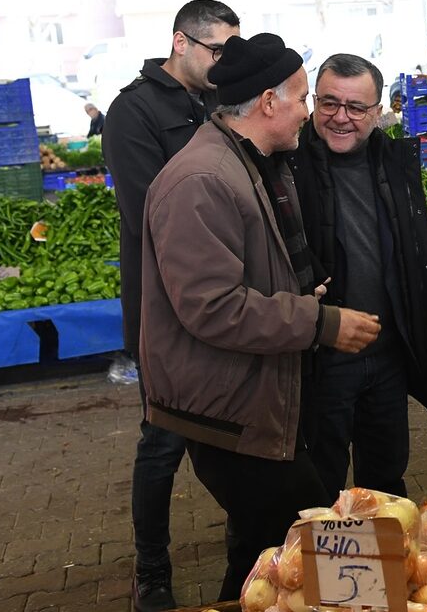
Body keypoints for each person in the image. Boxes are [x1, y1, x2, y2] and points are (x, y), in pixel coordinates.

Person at [140, 33, 370, 601]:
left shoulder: (250, 162)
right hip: (228, 406)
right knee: (321, 540)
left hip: (255, 391)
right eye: (300, 98)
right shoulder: (202, 179)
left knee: (260, 551)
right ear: (268, 102)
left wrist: (296, 289)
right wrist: (322, 323)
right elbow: (212, 307)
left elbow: (245, 270)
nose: (308, 113)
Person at [102, 0, 240, 612]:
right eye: (217, 50)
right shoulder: (132, 111)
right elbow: (149, 213)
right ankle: (152, 571)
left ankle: (250, 552)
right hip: (165, 306)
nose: (224, 62)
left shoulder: (217, 102)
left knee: (241, 433)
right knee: (162, 439)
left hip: (232, 298)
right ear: (181, 42)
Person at [290, 53, 427, 503]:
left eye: (356, 107)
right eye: (329, 103)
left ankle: (384, 568)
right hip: (323, 356)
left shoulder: (396, 160)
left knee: (385, 477)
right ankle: (315, 570)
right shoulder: (289, 166)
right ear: (313, 104)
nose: (341, 118)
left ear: (378, 111)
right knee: (317, 482)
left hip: (387, 353)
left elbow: (422, 249)